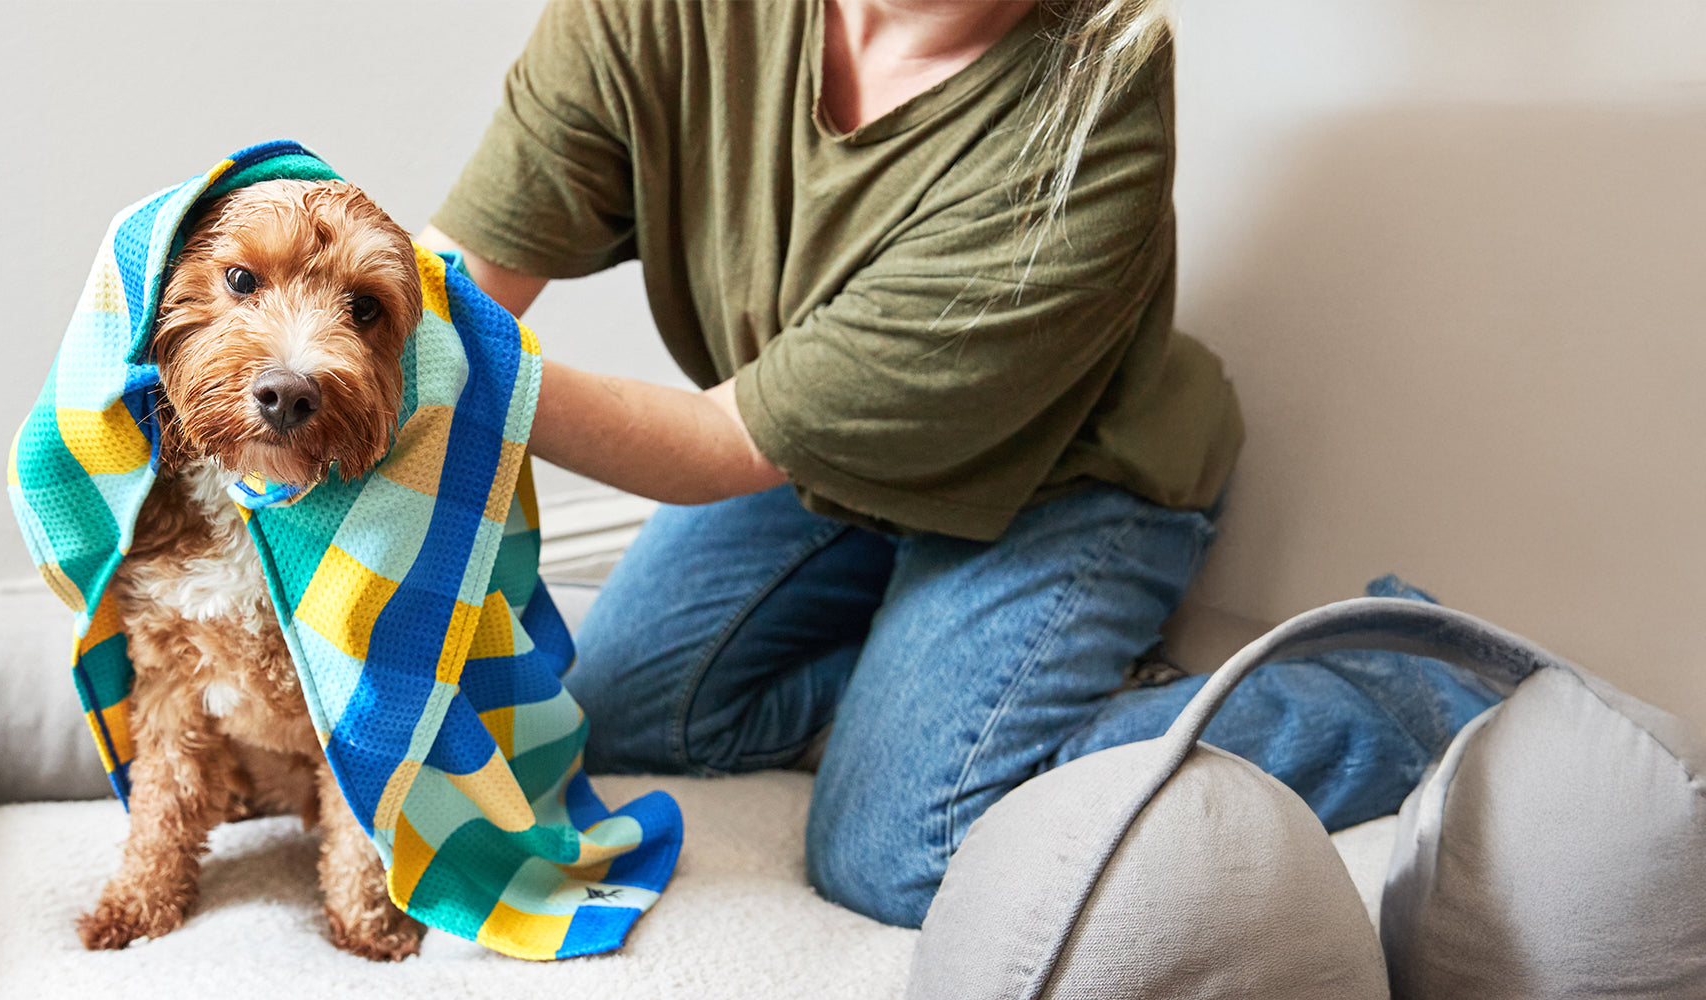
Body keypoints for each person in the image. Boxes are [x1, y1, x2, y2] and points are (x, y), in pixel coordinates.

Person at [424, 0, 1497, 928]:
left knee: (900, 849)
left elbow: (723, 444)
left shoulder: (1096, 95)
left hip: (1062, 473)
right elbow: (460, 281)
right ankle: (947, 685)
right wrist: (337, 348)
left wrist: (402, 377)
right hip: (817, 452)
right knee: (615, 712)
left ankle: (1415, 690)